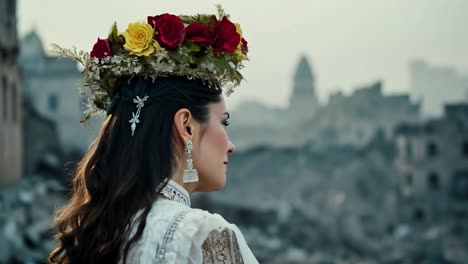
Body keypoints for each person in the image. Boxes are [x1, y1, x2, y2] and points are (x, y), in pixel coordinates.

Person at [48, 6, 258, 264]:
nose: (231, 145)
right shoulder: (202, 236)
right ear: (187, 126)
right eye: (224, 122)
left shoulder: (96, 234)